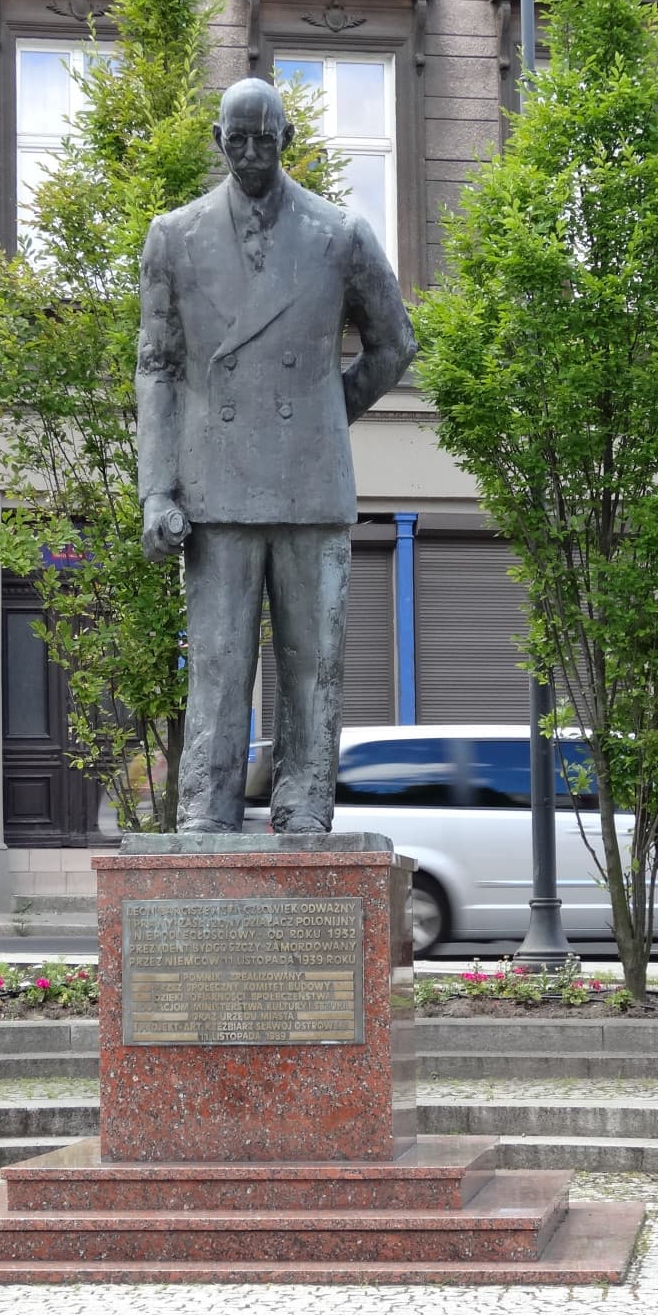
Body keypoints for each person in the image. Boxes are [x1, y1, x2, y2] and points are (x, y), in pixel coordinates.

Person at [136, 77, 416, 834]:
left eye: (267, 137)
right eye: (239, 139)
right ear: (218, 142)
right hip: (214, 482)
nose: (253, 153)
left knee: (311, 663)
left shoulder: (339, 235)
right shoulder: (175, 236)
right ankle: (207, 801)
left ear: (288, 139)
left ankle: (304, 800)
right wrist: (156, 490)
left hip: (309, 481)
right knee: (220, 663)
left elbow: (395, 344)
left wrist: (326, 412)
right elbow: (158, 366)